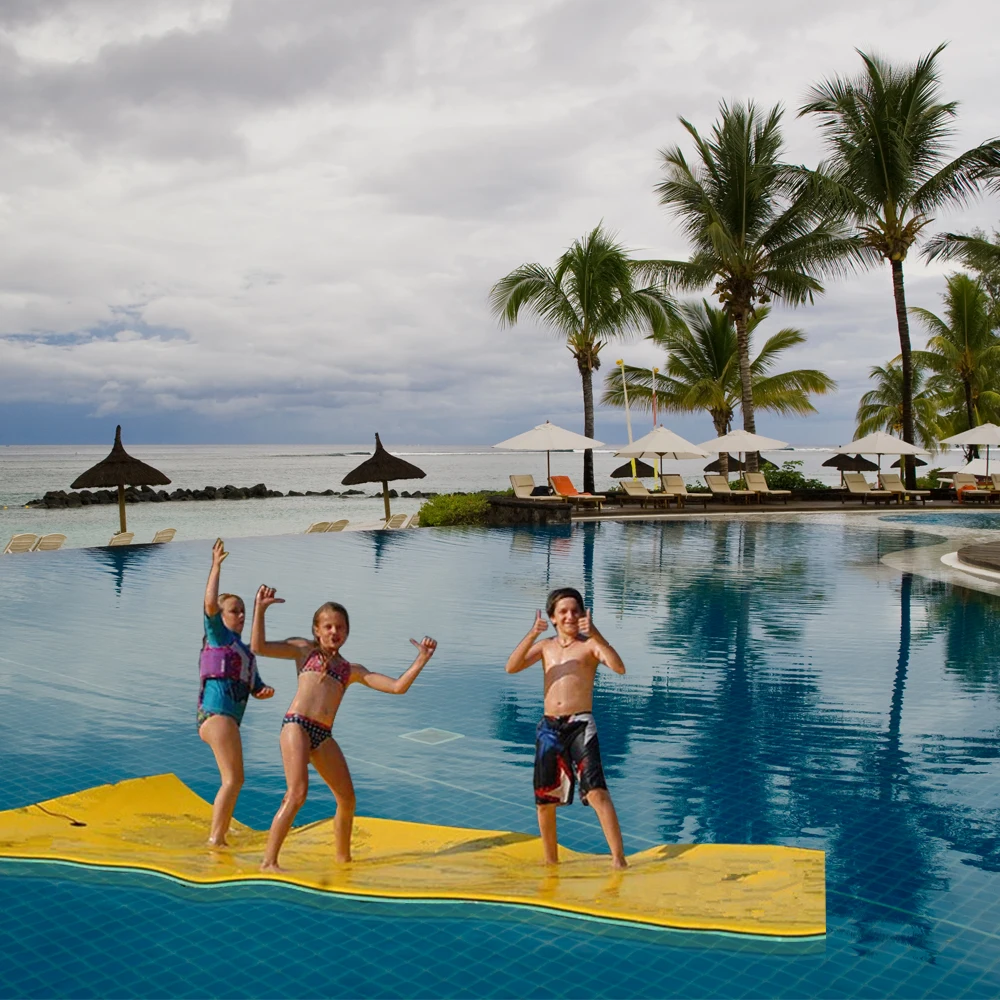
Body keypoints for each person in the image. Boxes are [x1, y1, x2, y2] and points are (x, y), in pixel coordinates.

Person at [252, 586, 437, 871]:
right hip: (297, 726)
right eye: (327, 626)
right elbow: (259, 647)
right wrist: (260, 609)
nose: (333, 632)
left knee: (347, 799)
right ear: (316, 630)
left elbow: (398, 687)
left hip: (322, 735)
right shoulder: (304, 651)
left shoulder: (351, 669)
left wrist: (421, 660)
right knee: (297, 793)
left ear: (347, 632)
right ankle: (268, 861)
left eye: (340, 627)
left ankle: (343, 859)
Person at [505, 586, 627, 869]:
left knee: (596, 791)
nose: (570, 616)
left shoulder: (590, 645)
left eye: (575, 611)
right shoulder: (545, 647)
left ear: (583, 615)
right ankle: (551, 861)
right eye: (563, 611)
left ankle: (618, 859)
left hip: (580, 725)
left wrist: (595, 632)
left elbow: (618, 667)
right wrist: (533, 634)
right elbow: (512, 667)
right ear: (553, 617)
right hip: (549, 727)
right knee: (545, 800)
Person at [199, 538, 274, 846]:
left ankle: (220, 834)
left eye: (243, 611)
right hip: (216, 715)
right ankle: (216, 839)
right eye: (234, 611)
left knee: (235, 779)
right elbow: (208, 605)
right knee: (232, 778)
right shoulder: (218, 636)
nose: (240, 616)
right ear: (222, 614)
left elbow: (255, 687)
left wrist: (263, 691)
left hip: (225, 719)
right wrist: (216, 566)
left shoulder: (244, 654)